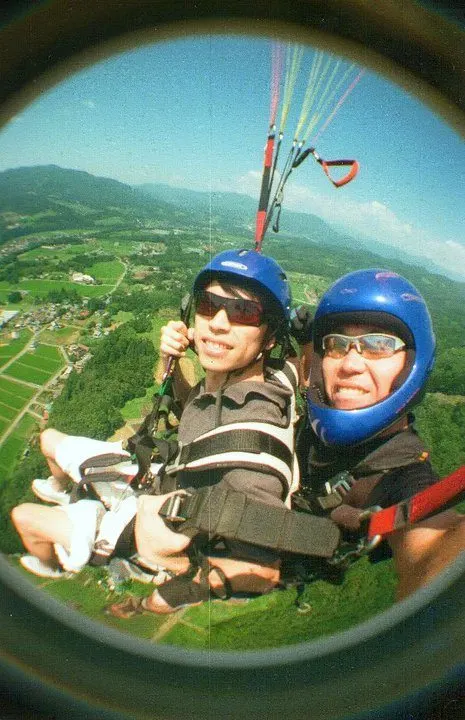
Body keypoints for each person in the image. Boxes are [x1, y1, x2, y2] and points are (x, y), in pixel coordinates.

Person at [11, 248, 301, 613]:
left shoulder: (249, 449)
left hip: (143, 522)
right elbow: (189, 406)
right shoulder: (259, 379)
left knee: (24, 518)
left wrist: (165, 576)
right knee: (49, 440)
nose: (219, 323)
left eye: (244, 312)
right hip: (160, 475)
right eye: (209, 305)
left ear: (270, 337)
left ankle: (58, 561)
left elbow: (261, 571)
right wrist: (170, 362)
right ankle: (68, 496)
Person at [300, 268, 465, 599]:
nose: (349, 365)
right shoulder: (312, 406)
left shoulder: (403, 477)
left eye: (378, 345)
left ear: (410, 367)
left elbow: (431, 551)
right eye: (336, 344)